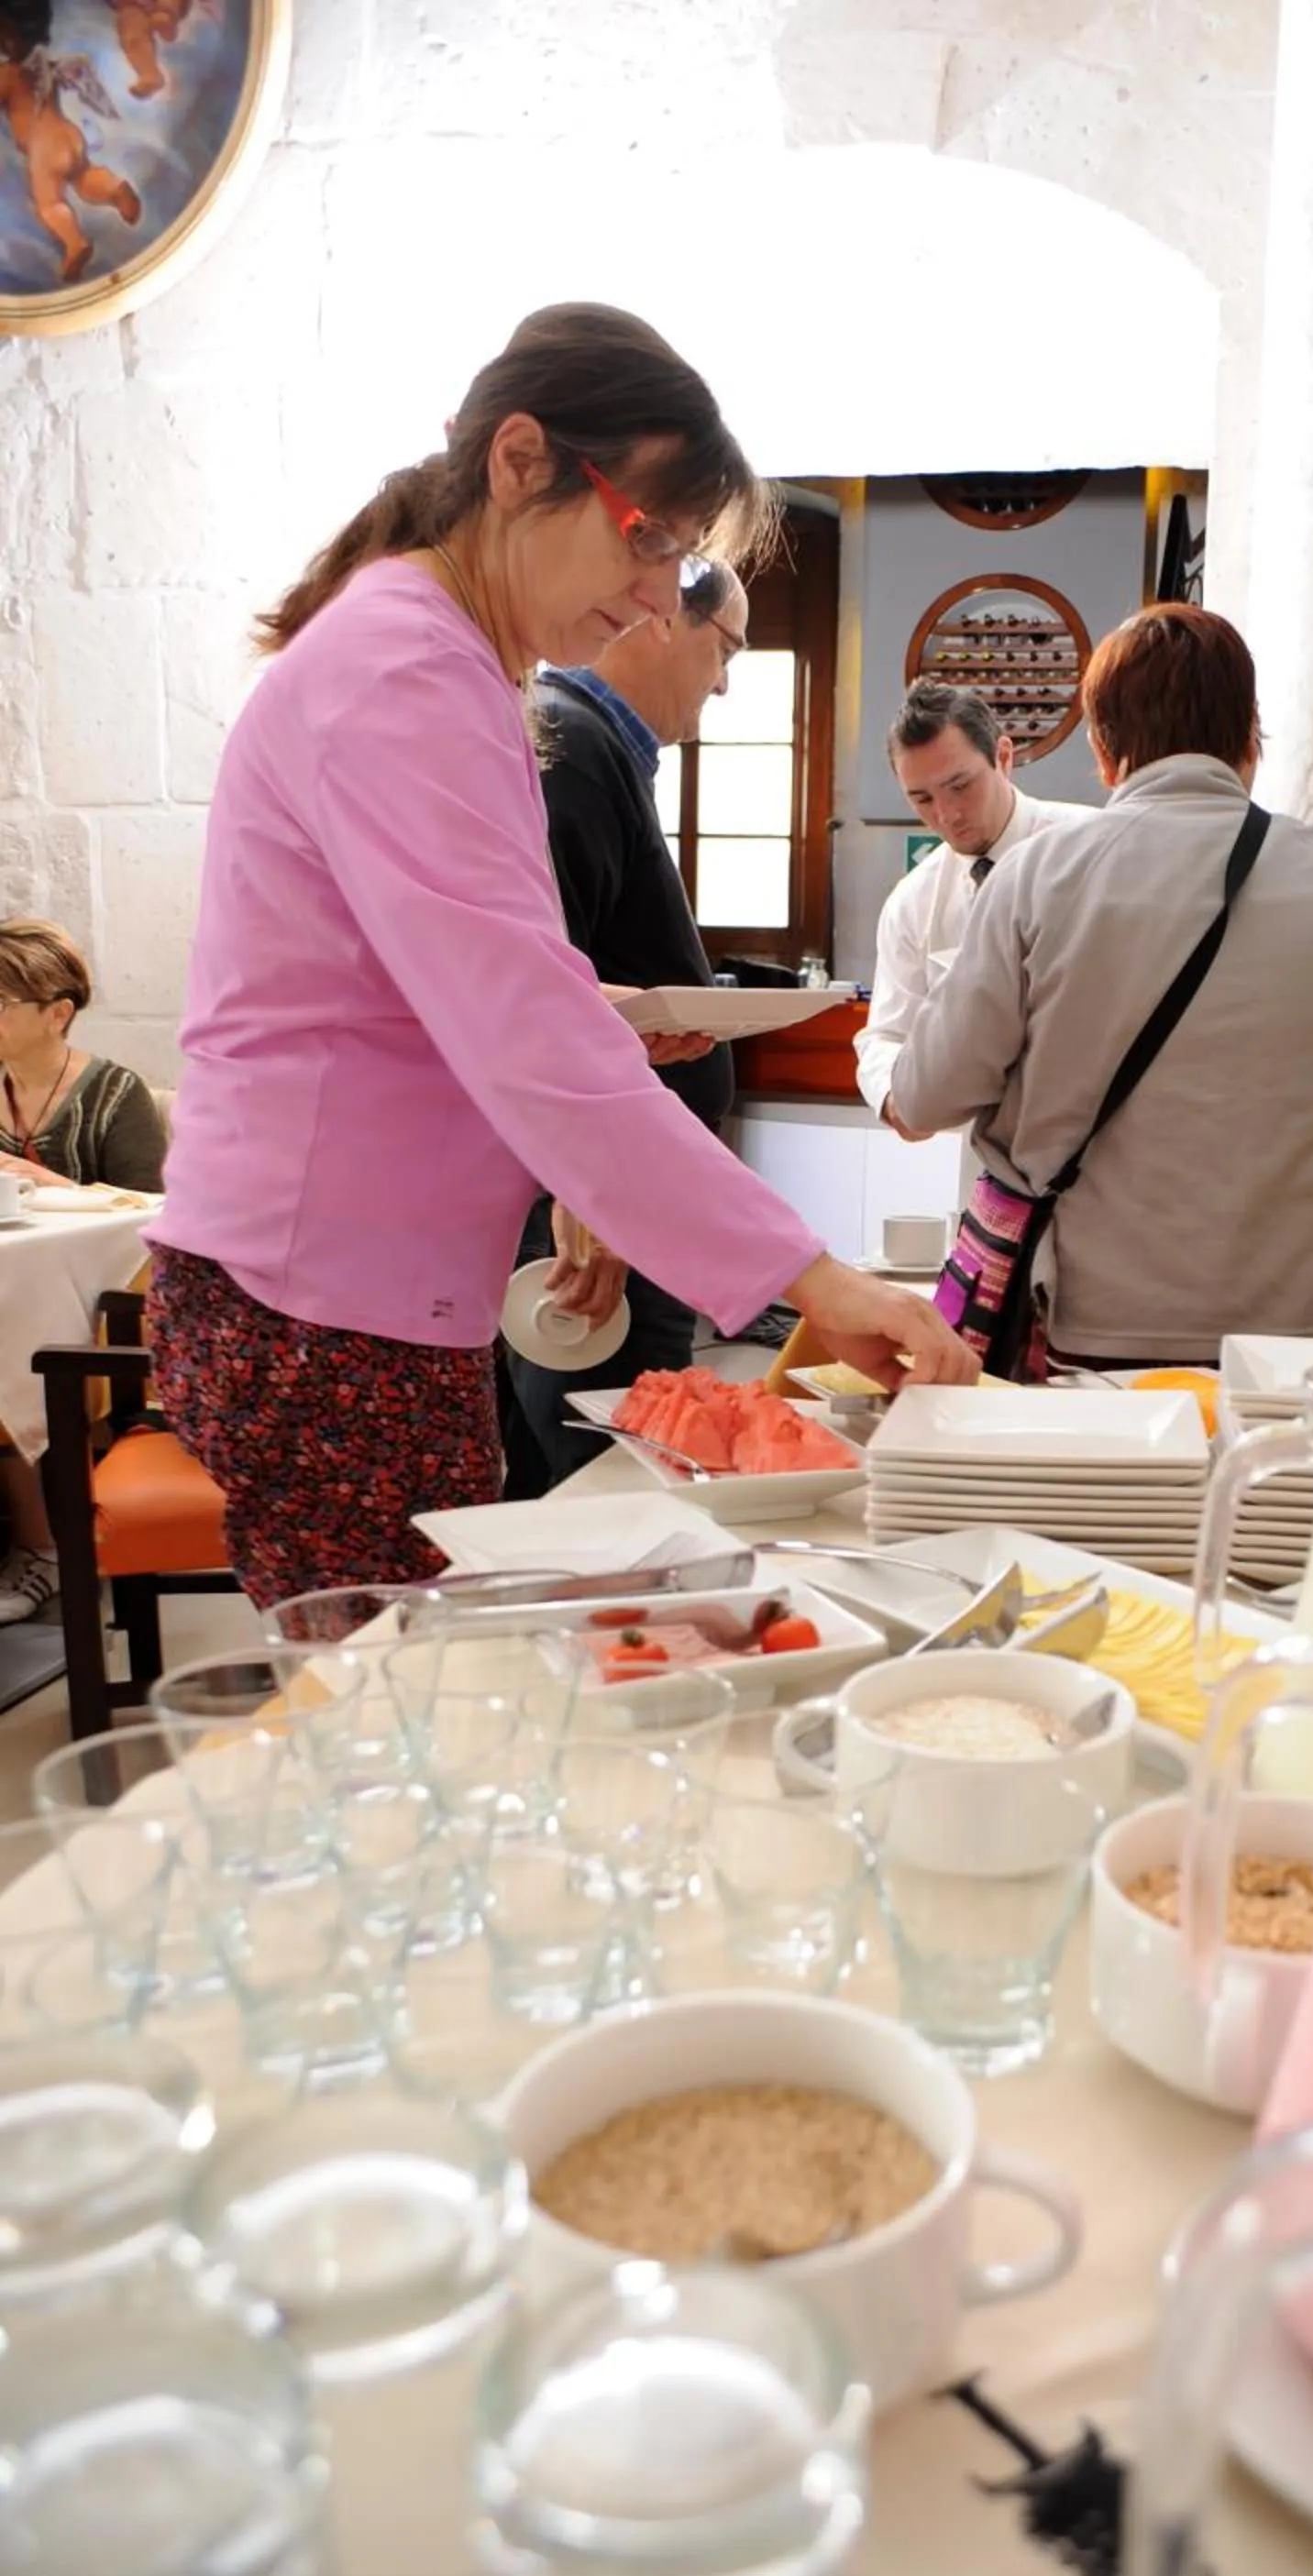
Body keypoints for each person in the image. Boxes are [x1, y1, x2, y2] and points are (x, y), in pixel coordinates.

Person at [144, 301, 974, 1611]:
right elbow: (518, 1025)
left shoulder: (439, 657)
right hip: (320, 1305)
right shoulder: (402, 668)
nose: (656, 594)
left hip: (345, 1292)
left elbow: (436, 981)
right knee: (397, 1716)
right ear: (519, 460)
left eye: (684, 564)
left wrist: (603, 1023)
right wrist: (813, 1275)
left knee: (420, 1695)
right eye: (648, 538)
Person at [888, 603, 1313, 1365]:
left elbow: (928, 1090)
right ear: (1250, 738)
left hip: (1104, 1318)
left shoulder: (1036, 878)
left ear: (1104, 751)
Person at [502, 556, 749, 1493]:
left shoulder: (596, 746)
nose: (724, 679)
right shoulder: (568, 745)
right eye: (723, 647)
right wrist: (591, 1200)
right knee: (598, 1479)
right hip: (595, 1208)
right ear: (657, 618)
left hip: (623, 1190)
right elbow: (537, 1009)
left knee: (595, 1465)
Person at [0, 917, 168, 1625]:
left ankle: (43, 1550)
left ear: (57, 1014)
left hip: (105, 1308)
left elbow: (153, 1214)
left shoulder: (114, 1091)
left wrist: (41, 1180)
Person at [855, 682, 1094, 1129]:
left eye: (960, 786)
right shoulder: (913, 902)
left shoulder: (1092, 847)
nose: (946, 814)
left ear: (1004, 758)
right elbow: (886, 1035)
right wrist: (894, 1097)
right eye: (921, 799)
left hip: (1105, 1139)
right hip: (986, 1155)